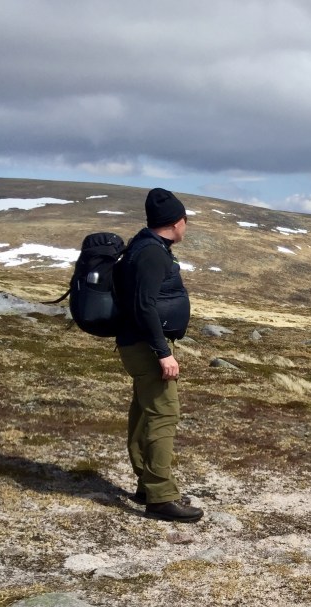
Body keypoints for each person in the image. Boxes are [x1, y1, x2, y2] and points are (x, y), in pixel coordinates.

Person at [113, 188, 202, 522]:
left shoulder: (144, 246)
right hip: (147, 346)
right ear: (177, 222)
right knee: (164, 415)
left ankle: (147, 484)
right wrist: (163, 352)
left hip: (138, 343)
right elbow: (144, 305)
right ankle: (161, 496)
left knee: (144, 412)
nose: (186, 227)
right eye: (185, 221)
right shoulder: (151, 253)